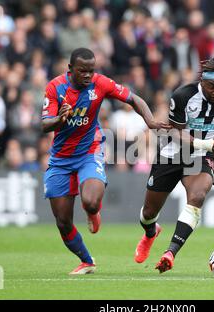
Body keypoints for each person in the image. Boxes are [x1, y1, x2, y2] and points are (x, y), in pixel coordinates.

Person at [42, 47, 170, 275]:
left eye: (91, 71)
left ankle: (93, 213)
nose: (88, 76)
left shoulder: (100, 83)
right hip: (60, 159)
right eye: (82, 71)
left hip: (89, 151)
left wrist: (149, 120)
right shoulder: (55, 87)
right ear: (70, 69)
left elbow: (133, 98)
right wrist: (60, 119)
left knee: (90, 201)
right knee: (63, 222)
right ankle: (87, 261)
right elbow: (44, 125)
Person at [134, 55, 214, 273]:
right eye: (212, 86)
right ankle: (150, 233)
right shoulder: (183, 95)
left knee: (198, 197)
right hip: (174, 153)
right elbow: (176, 134)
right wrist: (207, 144)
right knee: (148, 213)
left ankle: (170, 252)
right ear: (202, 81)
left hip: (202, 156)